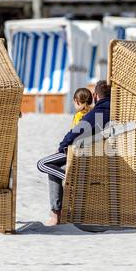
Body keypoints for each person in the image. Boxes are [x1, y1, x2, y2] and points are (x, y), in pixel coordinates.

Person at [37, 80, 111, 226]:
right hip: (93, 156)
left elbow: (74, 133)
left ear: (96, 96)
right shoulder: (113, 111)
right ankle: (56, 213)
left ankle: (69, 183)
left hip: (77, 154)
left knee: (43, 164)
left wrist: (61, 147)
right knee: (53, 168)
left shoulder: (96, 114)